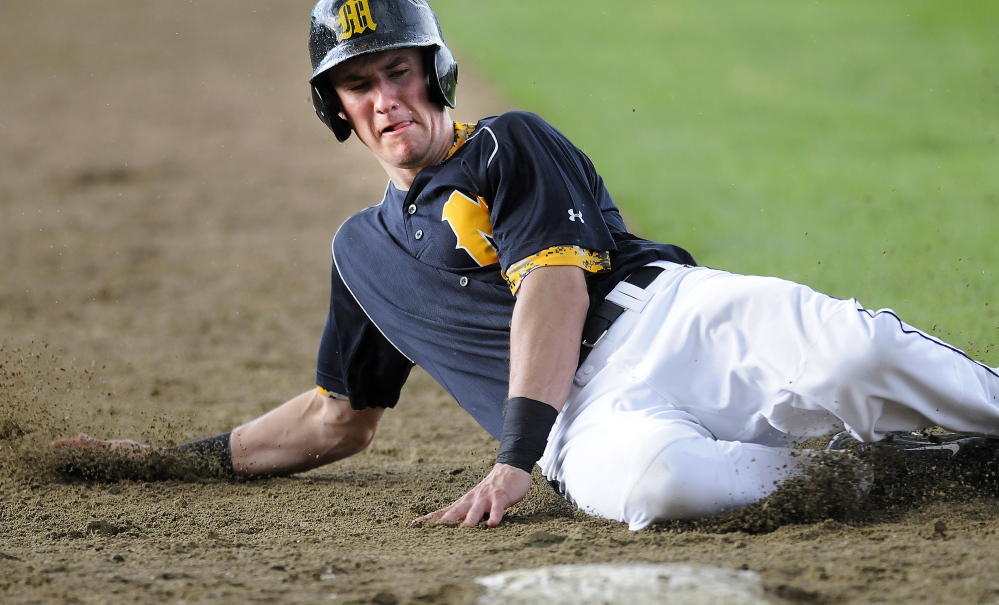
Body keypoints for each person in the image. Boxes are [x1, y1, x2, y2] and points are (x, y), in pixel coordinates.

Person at [57, 0, 999, 531]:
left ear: (436, 72)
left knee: (852, 360)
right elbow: (332, 420)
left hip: (675, 318)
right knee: (658, 487)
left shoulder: (508, 144)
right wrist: (155, 464)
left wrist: (511, 460)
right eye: (358, 82)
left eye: (399, 70)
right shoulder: (359, 253)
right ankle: (889, 471)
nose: (385, 98)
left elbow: (550, 288)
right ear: (334, 108)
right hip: (587, 422)